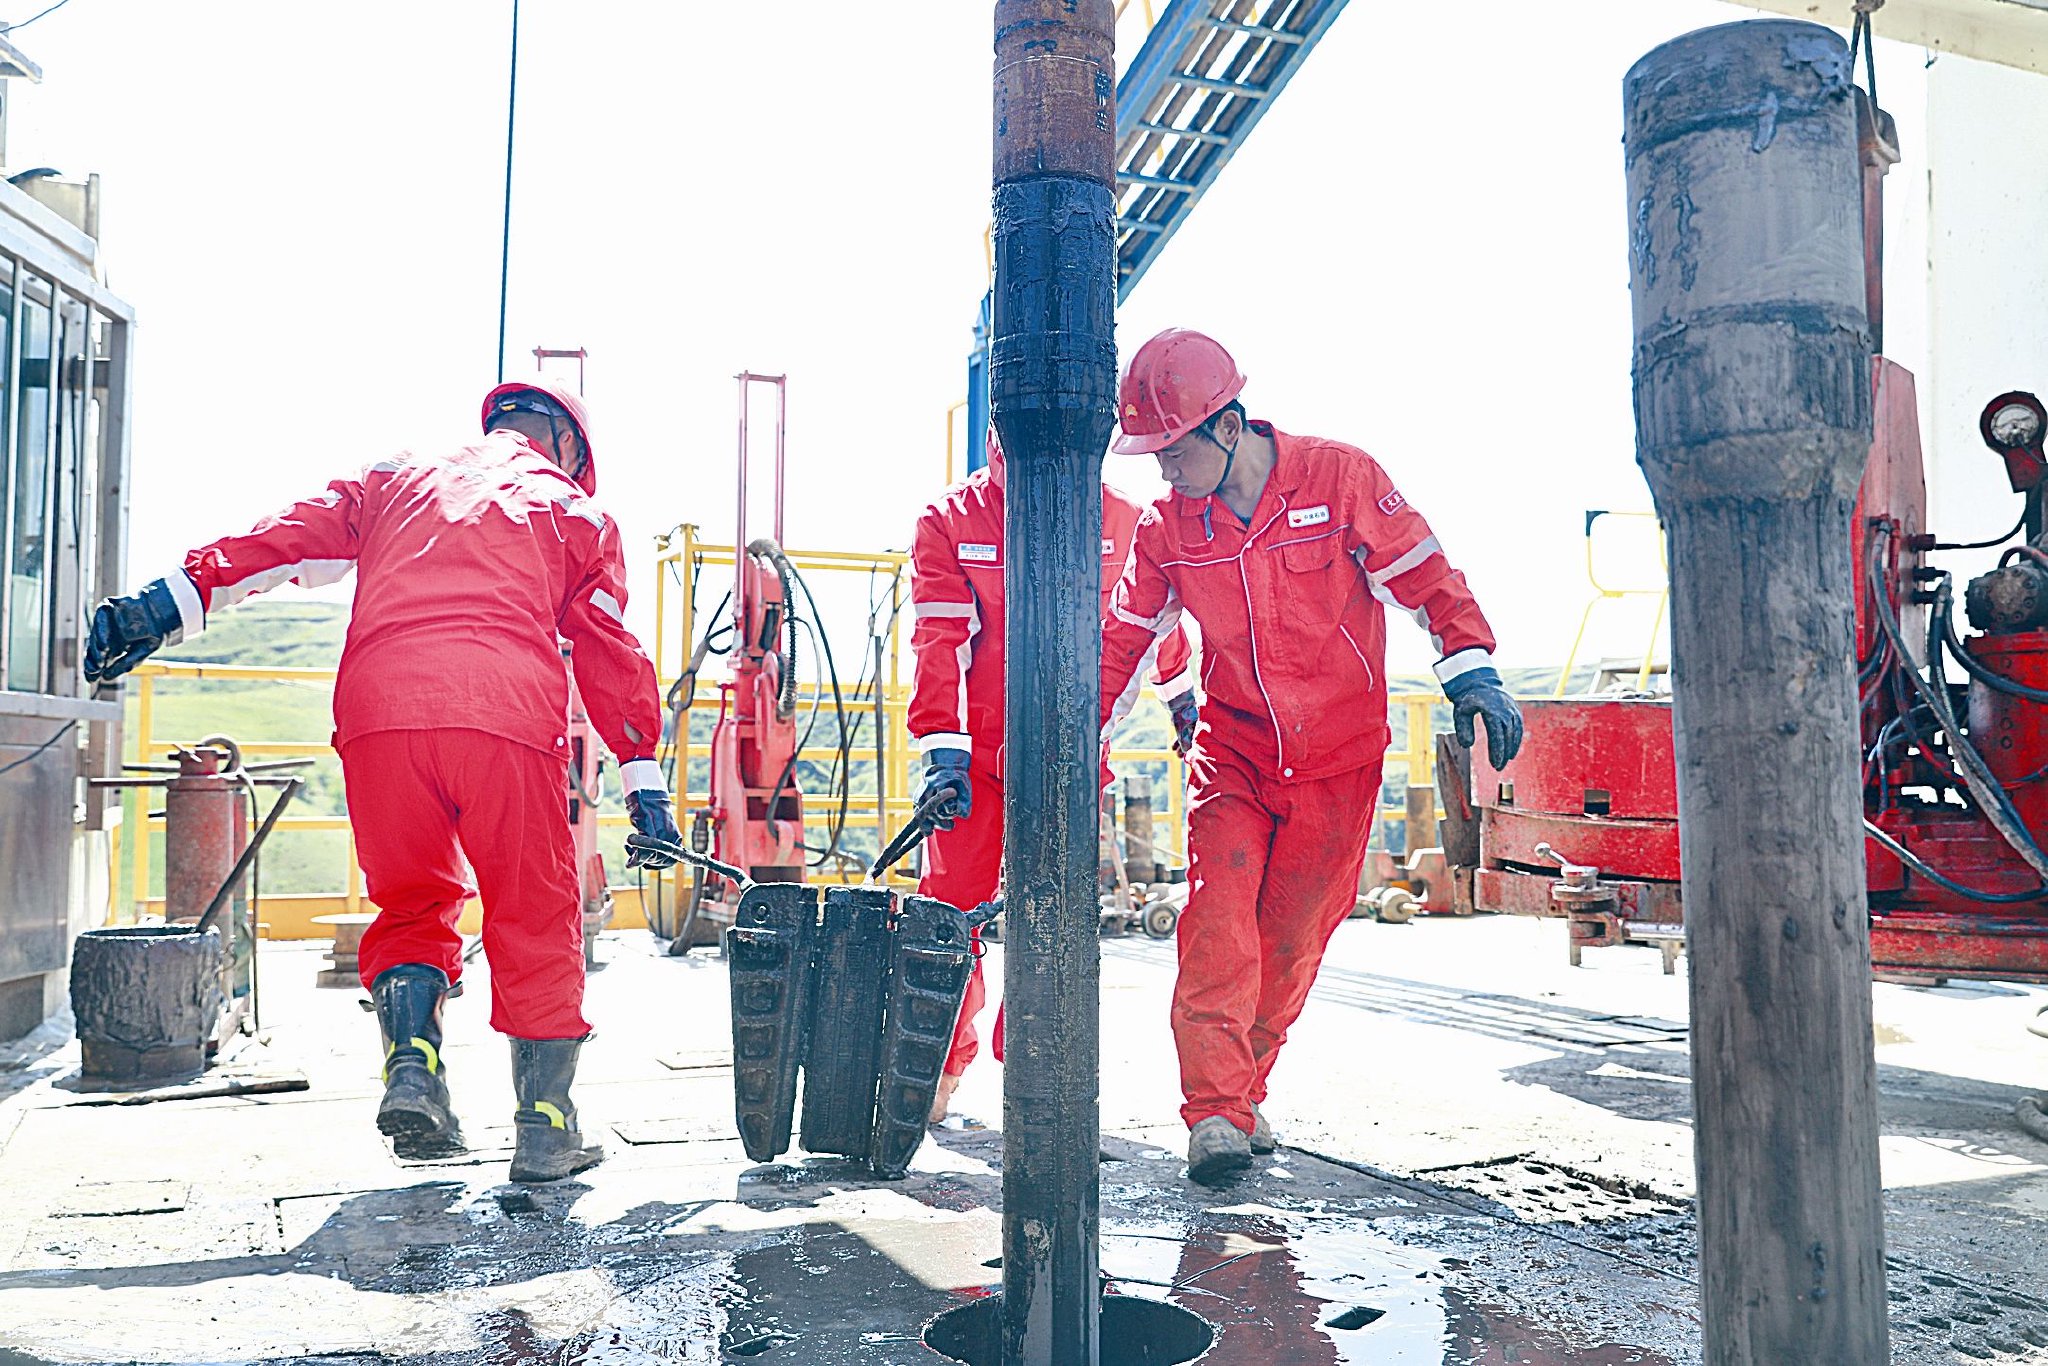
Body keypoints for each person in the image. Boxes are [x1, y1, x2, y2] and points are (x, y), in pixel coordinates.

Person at [82, 380, 682, 1183]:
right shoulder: (573, 511)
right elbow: (607, 648)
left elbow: (285, 540)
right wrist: (645, 781)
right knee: (533, 911)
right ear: (568, 446)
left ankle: (413, 1069)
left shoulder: (394, 479)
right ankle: (546, 1128)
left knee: (411, 902)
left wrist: (163, 605)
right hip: (502, 713)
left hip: (379, 714)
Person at [1098, 329, 1523, 1185]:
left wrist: (1472, 671)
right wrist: (1080, 748)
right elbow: (1123, 644)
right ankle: (1213, 1113)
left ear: (1226, 427)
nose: (1161, 471)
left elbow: (1425, 575)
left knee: (1290, 940)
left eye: (1170, 450)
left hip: (1339, 758)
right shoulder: (1167, 529)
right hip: (1237, 754)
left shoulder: (1340, 478)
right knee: (1219, 924)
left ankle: (1244, 1092)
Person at [909, 426, 1194, 1121]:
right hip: (975, 759)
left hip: (1070, 754)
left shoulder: (1122, 520)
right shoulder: (950, 522)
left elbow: (1155, 628)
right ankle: (934, 1070)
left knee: (1055, 916)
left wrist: (1184, 702)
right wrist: (941, 751)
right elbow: (937, 641)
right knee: (950, 912)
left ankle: (1031, 1077)